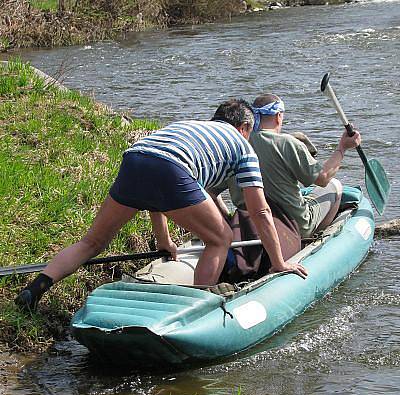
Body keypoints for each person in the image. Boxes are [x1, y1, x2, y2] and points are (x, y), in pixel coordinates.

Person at [15, 98, 307, 311]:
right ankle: (197, 304)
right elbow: (260, 210)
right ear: (245, 126)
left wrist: (164, 240)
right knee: (221, 239)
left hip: (135, 159)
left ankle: (35, 290)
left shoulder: (188, 126)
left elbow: (156, 198)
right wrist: (279, 262)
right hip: (171, 169)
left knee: (92, 242)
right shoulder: (243, 147)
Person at [226, 93, 362, 239]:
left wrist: (227, 221)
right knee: (335, 185)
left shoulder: (235, 144)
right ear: (278, 116)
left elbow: (212, 192)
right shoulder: (288, 143)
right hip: (293, 225)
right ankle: (310, 239)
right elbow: (323, 179)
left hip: (250, 226)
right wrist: (342, 148)